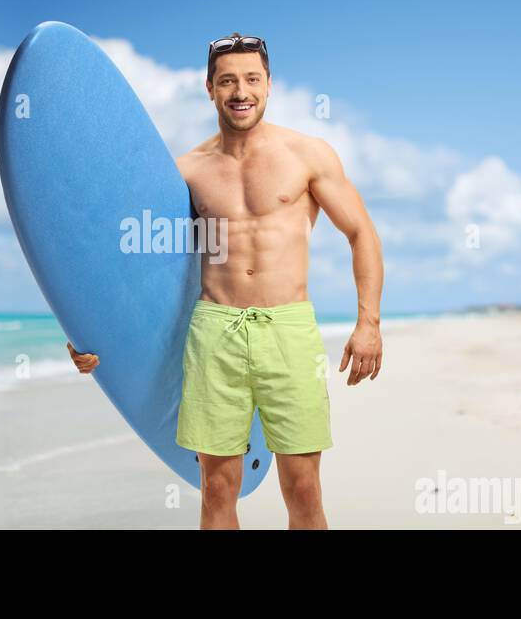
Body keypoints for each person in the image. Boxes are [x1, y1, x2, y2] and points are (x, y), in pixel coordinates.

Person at [68, 33, 384, 529]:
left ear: (269, 85)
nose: (241, 91)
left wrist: (369, 323)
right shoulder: (186, 172)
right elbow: (138, 265)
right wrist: (91, 336)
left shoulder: (308, 155)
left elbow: (361, 233)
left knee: (302, 487)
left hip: (288, 328)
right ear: (210, 88)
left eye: (252, 79)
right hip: (215, 331)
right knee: (216, 489)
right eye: (229, 81)